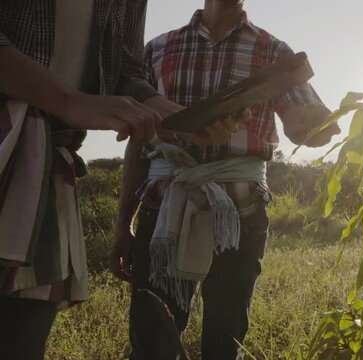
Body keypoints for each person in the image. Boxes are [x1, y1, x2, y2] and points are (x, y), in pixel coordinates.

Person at [0, 1, 235, 359]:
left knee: (21, 334)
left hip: (45, 166)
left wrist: (176, 118)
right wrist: (69, 101)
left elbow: (125, 69)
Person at [109, 0, 341, 359]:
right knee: (152, 337)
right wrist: (123, 224)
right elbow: (139, 143)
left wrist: (307, 125)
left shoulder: (273, 51)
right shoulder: (157, 48)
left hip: (240, 210)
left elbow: (306, 119)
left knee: (225, 336)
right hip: (163, 204)